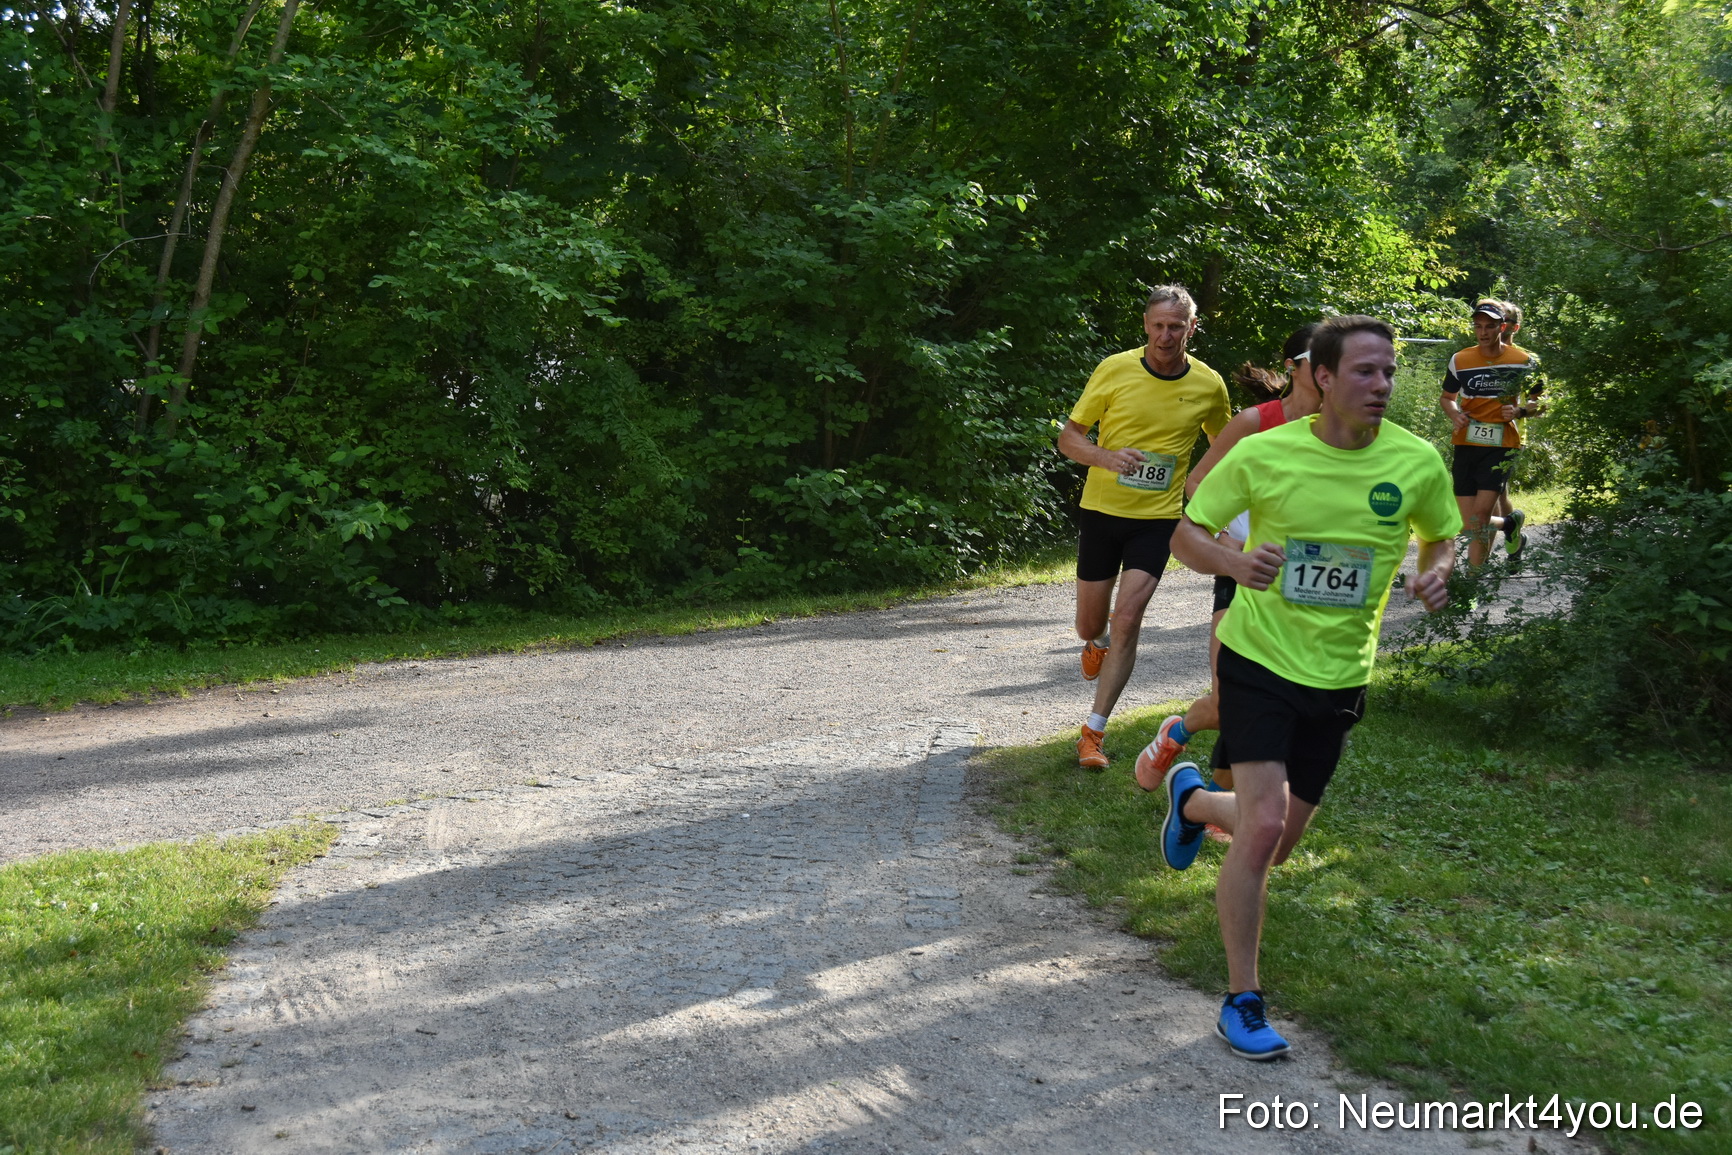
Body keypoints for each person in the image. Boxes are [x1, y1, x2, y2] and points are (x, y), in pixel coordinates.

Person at [1166, 314, 1461, 1060]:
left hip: (1341, 670)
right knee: (1262, 829)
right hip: (1259, 657)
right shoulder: (1267, 453)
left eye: (1389, 371)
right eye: (1366, 371)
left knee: (1279, 842)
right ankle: (1242, 1000)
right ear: (1321, 377)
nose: (1383, 384)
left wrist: (1439, 569)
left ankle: (1193, 799)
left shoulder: (1416, 460)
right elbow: (1187, 532)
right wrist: (1233, 566)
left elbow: (1441, 530)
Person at [1135, 323, 1322, 795]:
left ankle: (1221, 801)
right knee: (1226, 702)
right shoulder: (1255, 422)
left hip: (1303, 576)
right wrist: (1225, 538)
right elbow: (1197, 482)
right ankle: (1176, 734)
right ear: (1293, 367)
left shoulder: (1347, 431)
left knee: (1282, 699)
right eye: (1316, 361)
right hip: (1243, 568)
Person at [1058, 284, 1231, 770]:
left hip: (1157, 520)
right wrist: (1107, 457)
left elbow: (1227, 445)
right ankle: (1095, 642)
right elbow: (1069, 438)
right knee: (1091, 625)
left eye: (1176, 326)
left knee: (1129, 617)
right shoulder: (1114, 369)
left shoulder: (1208, 385)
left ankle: (1093, 734)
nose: (1166, 334)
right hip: (1102, 511)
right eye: (1158, 325)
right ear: (1146, 326)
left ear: (1191, 328)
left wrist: (1210, 498)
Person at [1439, 300, 1542, 568]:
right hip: (1466, 441)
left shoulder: (1523, 361)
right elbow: (1447, 398)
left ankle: (1473, 584)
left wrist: (1520, 411)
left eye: (1490, 326)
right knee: (1467, 524)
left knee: (1481, 516)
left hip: (1502, 444)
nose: (1483, 332)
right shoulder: (1460, 359)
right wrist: (1454, 414)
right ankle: (1509, 523)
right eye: (1478, 327)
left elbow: (1541, 403)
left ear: (1502, 327)